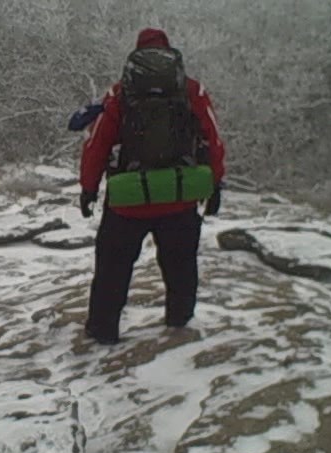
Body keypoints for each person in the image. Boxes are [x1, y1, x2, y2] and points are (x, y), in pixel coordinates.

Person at [78, 28, 225, 345]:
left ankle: (102, 334)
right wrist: (215, 184)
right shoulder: (192, 91)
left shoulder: (119, 94)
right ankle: (179, 328)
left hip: (127, 202)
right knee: (181, 267)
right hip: (179, 198)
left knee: (112, 272)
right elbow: (213, 140)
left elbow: (96, 144)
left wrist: (88, 189)